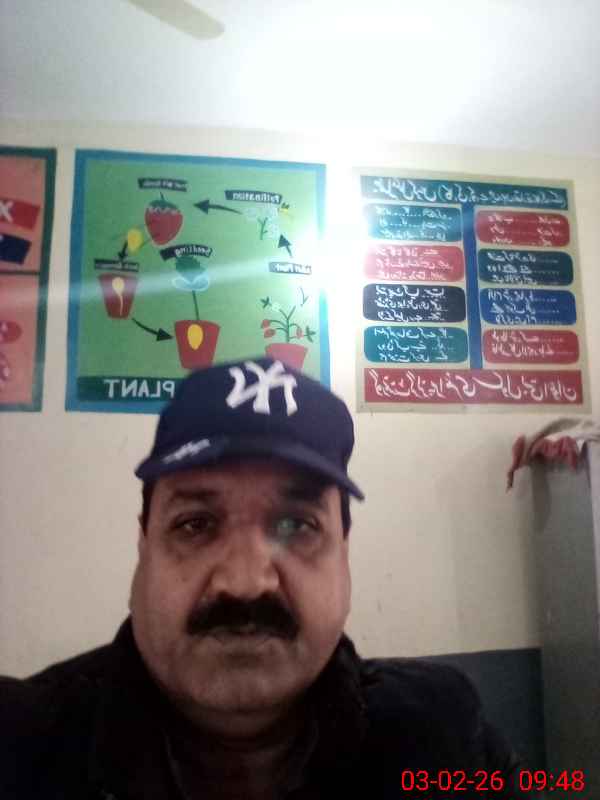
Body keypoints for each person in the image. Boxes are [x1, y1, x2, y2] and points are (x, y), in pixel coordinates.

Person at [1, 357, 530, 799]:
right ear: (145, 546)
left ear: (344, 553)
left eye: (297, 525)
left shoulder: (445, 738)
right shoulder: (19, 746)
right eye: (195, 524)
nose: (245, 582)